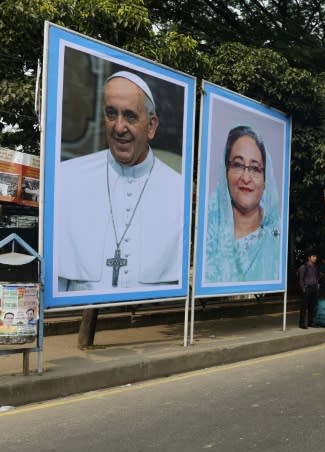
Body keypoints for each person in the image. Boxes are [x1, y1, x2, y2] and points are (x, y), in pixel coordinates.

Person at [56, 71, 183, 292]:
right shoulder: (67, 177)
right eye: (111, 114)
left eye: (130, 116)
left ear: (151, 126)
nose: (119, 127)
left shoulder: (177, 189)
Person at [204, 125, 281, 283]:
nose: (246, 178)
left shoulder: (277, 233)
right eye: (238, 165)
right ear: (226, 171)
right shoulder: (206, 230)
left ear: (266, 178)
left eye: (255, 168)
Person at [297, 253, 319, 329]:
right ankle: (302, 323)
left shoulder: (315, 267)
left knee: (312, 307)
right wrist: (303, 289)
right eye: (314, 256)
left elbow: (316, 277)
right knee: (304, 307)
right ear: (309, 258)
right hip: (307, 289)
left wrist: (316, 285)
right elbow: (300, 280)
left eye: (315, 256)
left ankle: (311, 322)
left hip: (314, 288)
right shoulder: (303, 267)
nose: (315, 258)